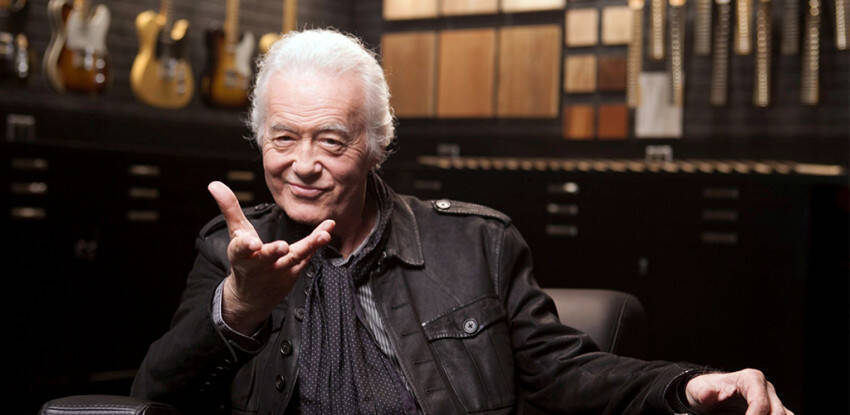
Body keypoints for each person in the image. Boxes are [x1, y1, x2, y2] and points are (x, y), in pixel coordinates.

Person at [131, 29, 791, 415]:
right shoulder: (229, 252)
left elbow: (566, 371)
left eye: (331, 141)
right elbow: (153, 396)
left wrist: (686, 385)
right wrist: (238, 308)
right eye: (283, 138)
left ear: (376, 144)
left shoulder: (477, 243)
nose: (303, 164)